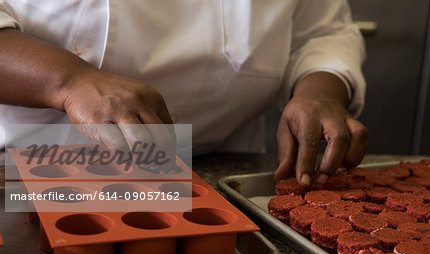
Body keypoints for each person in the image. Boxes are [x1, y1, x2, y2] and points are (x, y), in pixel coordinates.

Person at [0, 0, 367, 185]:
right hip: (27, 170)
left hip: (218, 173)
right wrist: (67, 79)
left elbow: (321, 31)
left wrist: (320, 89)